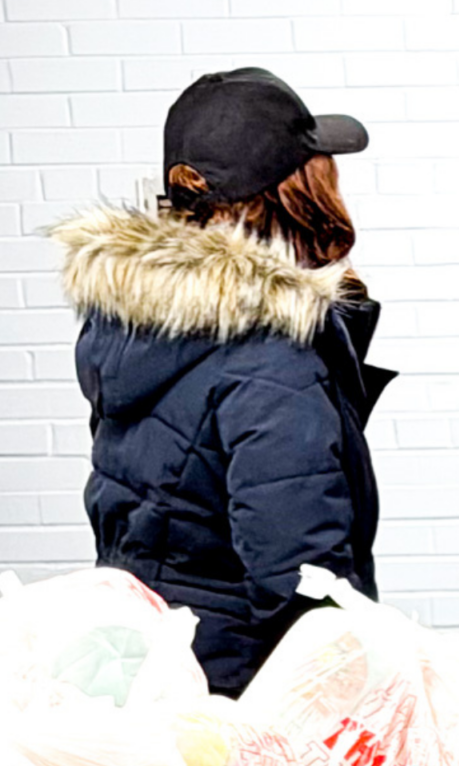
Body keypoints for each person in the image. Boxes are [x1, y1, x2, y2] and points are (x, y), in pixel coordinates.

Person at [52, 68, 388, 694]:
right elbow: (300, 574)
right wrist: (352, 696)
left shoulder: (139, 325)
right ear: (291, 194)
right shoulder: (268, 355)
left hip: (157, 672)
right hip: (249, 698)